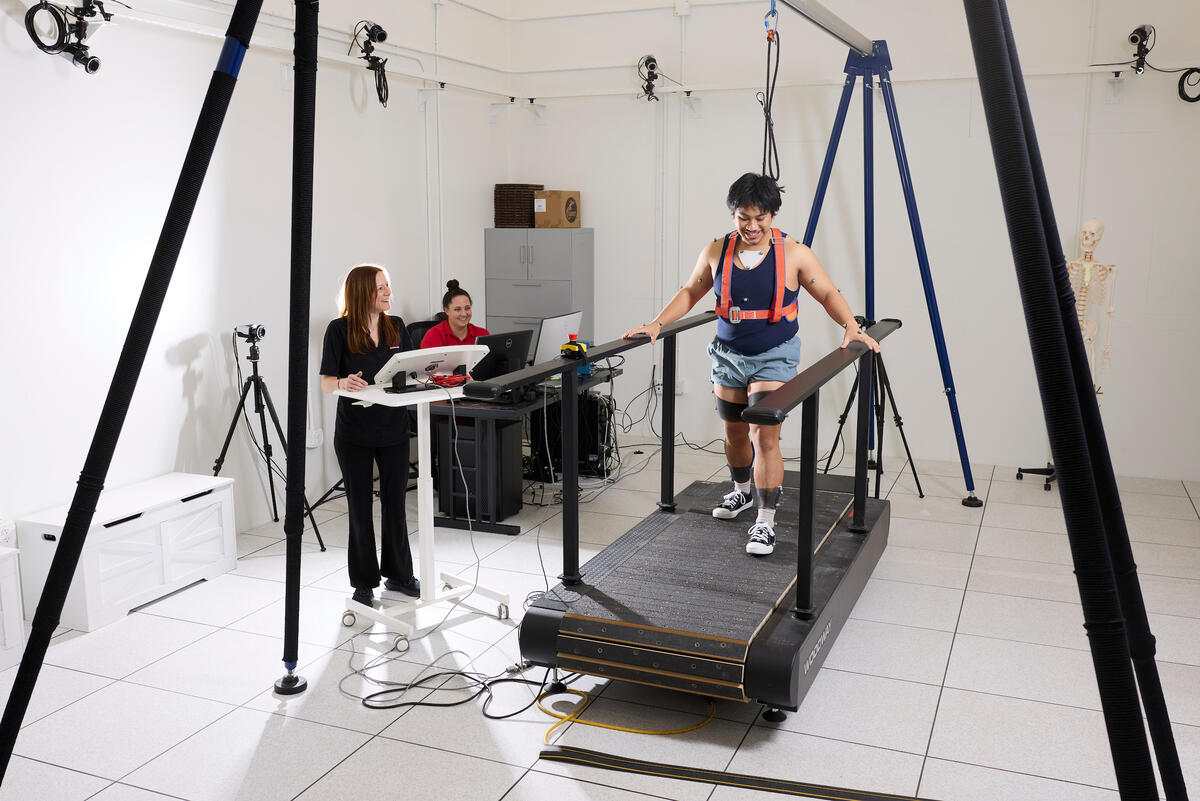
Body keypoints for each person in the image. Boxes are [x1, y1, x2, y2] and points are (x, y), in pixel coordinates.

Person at [623, 173, 879, 557]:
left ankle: (765, 521)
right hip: (728, 356)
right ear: (734, 215)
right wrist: (657, 324)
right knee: (734, 432)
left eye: (760, 218)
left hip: (774, 354)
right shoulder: (716, 251)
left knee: (764, 436)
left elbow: (827, 292)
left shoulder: (795, 253)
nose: (752, 226)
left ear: (772, 215)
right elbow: (691, 291)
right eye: (744, 217)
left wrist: (851, 327)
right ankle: (741, 491)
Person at [320, 264, 420, 605]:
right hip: (355, 433)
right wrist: (342, 382)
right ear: (363, 292)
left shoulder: (396, 326)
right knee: (360, 509)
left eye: (387, 285)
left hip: (394, 429)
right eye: (381, 287)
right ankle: (363, 582)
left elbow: (410, 370)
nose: (388, 292)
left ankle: (400, 575)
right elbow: (326, 383)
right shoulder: (338, 330)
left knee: (395, 505)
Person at [420, 279, 489, 347]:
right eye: (457, 309)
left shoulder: (483, 334)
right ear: (446, 310)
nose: (464, 314)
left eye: (467, 308)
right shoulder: (433, 336)